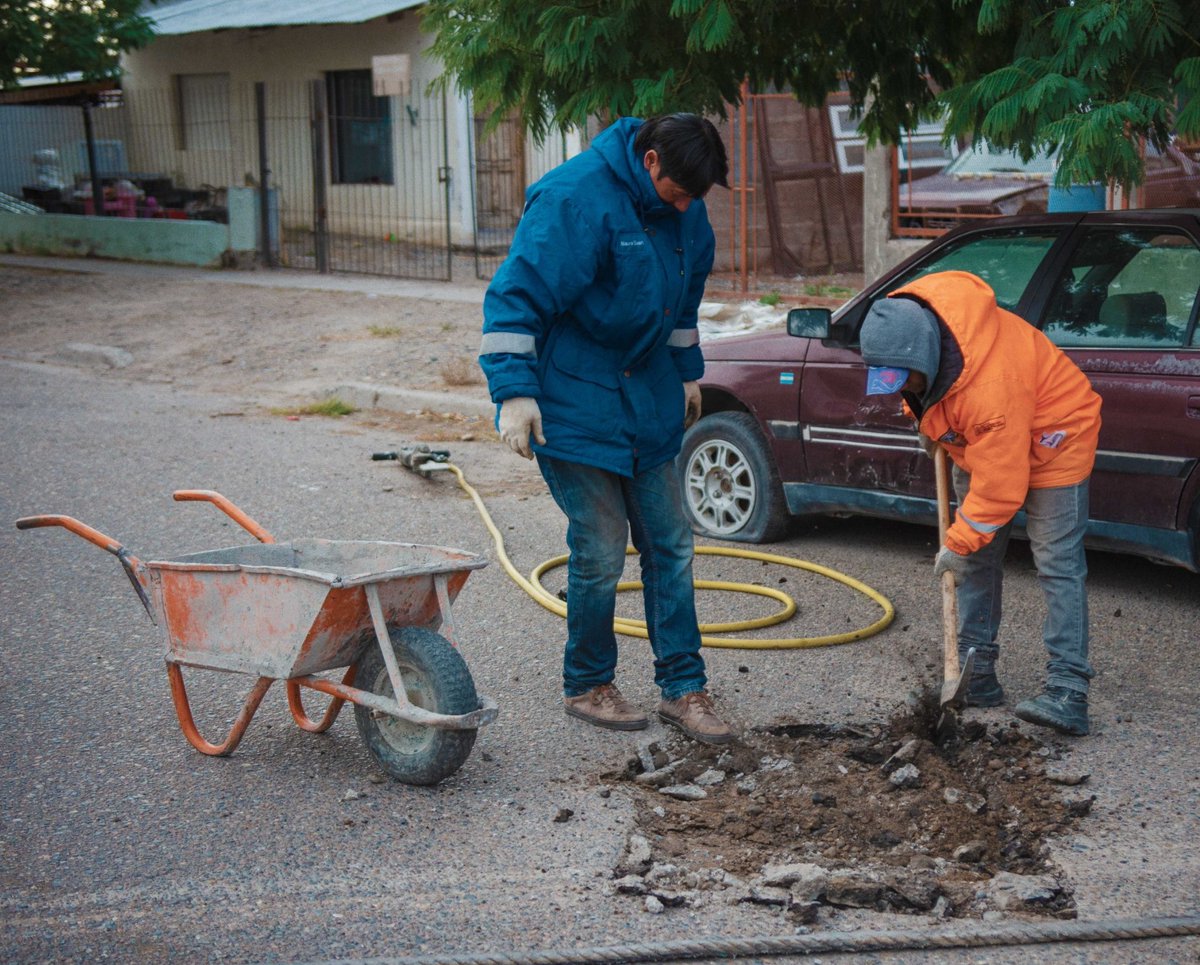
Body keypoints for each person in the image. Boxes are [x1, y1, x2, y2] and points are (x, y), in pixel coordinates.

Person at [478, 113, 734, 745]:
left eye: (695, 198)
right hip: (572, 395)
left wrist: (685, 373)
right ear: (650, 163)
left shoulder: (687, 212)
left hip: (645, 396)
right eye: (678, 192)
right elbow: (517, 296)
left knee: (671, 542)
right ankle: (588, 682)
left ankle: (684, 688)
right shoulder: (573, 197)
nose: (686, 207)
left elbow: (683, 302)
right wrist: (514, 391)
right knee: (598, 546)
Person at [857, 270, 1102, 736]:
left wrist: (961, 540)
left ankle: (1068, 690)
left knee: (1055, 562)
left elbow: (1002, 484)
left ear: (924, 357)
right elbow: (922, 392)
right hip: (988, 439)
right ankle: (978, 674)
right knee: (979, 559)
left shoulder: (990, 383)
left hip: (1057, 436)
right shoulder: (920, 339)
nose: (895, 386)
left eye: (900, 376)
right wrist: (930, 425)